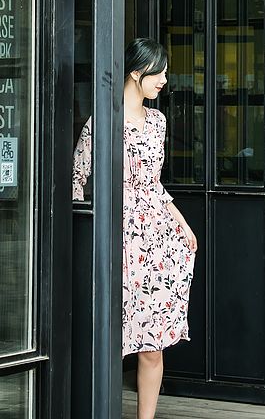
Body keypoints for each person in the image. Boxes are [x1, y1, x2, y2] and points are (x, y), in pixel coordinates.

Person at [72, 38, 197, 419]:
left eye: (165, 72)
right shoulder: (104, 119)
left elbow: (154, 185)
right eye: (158, 72)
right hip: (116, 236)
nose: (163, 80)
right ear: (135, 71)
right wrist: (84, 235)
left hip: (156, 239)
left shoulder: (157, 121)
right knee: (113, 336)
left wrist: (183, 226)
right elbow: (78, 177)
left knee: (153, 343)